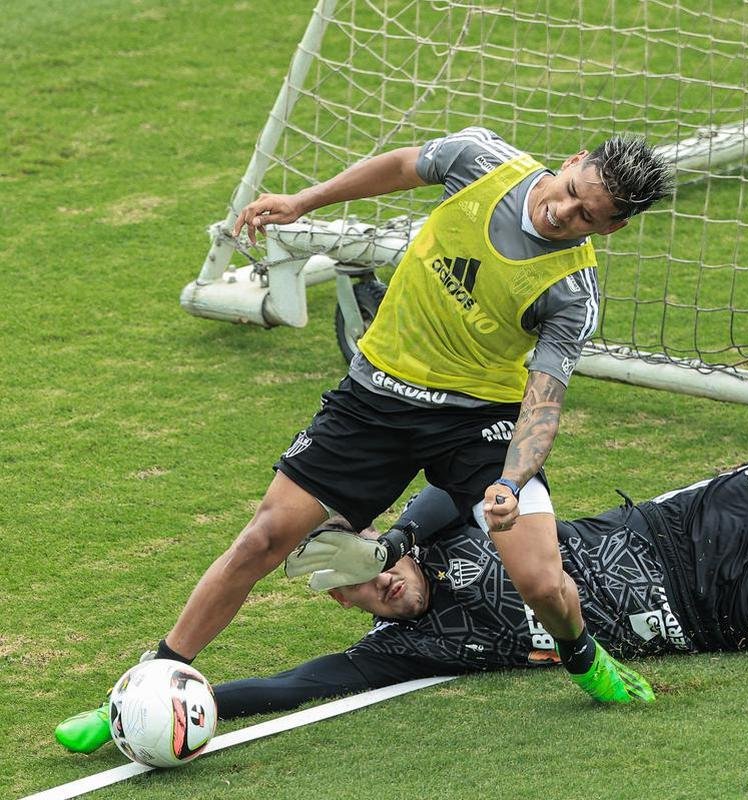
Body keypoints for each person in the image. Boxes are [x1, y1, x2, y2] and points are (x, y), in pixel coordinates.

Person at [57, 442, 748, 749]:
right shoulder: (406, 648)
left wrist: (390, 532)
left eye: (378, 570)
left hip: (695, 516)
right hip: (720, 604)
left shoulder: (444, 524)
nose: (384, 592)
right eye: (363, 595)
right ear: (352, 608)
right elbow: (288, 683)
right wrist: (144, 699)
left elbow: (445, 493)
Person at [133, 127, 675, 704]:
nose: (561, 212)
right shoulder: (482, 161)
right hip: (376, 398)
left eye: (586, 215)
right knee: (263, 538)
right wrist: (302, 202)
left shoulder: (572, 293)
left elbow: (542, 402)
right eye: (570, 190)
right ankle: (153, 676)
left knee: (542, 582)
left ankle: (584, 658)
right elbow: (399, 166)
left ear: (611, 227)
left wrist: (512, 483)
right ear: (572, 161)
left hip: (476, 421)